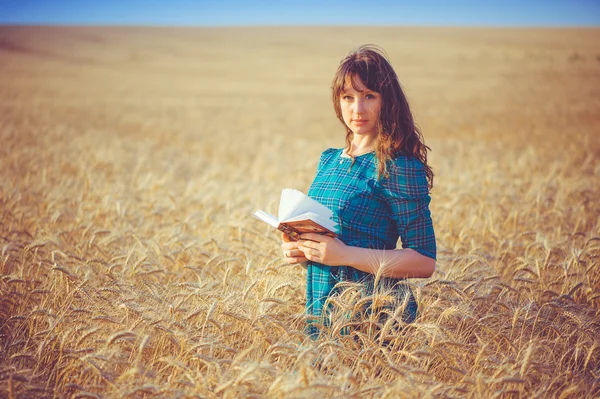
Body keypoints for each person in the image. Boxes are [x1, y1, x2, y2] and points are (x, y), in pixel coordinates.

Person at [281, 44, 436, 338]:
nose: (358, 109)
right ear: (338, 102)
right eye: (348, 97)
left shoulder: (398, 166)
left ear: (386, 101)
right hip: (321, 315)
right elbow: (332, 246)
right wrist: (304, 251)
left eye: (369, 96)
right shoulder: (329, 160)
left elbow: (424, 261)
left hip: (374, 320)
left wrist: (344, 254)